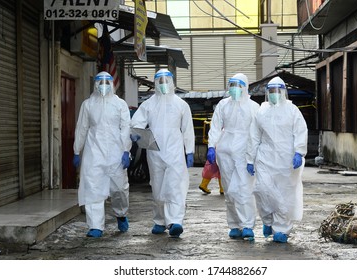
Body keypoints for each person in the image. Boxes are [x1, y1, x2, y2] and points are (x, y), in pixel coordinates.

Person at [130, 69, 195, 238]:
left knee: (175, 186)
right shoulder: (148, 104)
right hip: (154, 151)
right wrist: (137, 133)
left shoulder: (181, 105)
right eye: (160, 81)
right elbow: (136, 122)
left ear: (172, 82)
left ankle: (175, 222)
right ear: (155, 83)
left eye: (167, 80)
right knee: (157, 188)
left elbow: (188, 129)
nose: (163, 84)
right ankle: (159, 220)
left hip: (175, 151)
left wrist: (189, 150)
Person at [246, 76, 308, 243]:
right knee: (261, 190)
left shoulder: (292, 110)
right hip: (265, 157)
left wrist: (298, 152)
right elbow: (254, 136)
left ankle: (281, 229)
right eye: (271, 91)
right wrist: (250, 159)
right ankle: (267, 219)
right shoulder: (262, 110)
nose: (274, 94)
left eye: (277, 90)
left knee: (284, 194)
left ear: (283, 92)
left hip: (286, 159)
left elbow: (300, 131)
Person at [73, 71, 131, 238]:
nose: (103, 86)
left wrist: (126, 150)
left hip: (116, 152)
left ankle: (121, 213)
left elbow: (125, 128)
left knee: (119, 189)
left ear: (112, 84)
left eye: (107, 83)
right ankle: (95, 226)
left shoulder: (120, 104)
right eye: (100, 82)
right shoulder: (88, 104)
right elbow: (82, 127)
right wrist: (77, 150)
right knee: (93, 188)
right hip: (94, 152)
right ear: (95, 85)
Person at [207, 73, 259, 239]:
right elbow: (215, 126)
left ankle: (247, 225)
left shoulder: (254, 107)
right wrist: (211, 146)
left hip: (245, 151)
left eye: (238, 85)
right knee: (229, 190)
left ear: (245, 87)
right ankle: (234, 225)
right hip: (225, 150)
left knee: (244, 189)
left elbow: (258, 133)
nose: (235, 89)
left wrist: (254, 157)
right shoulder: (223, 104)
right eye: (232, 85)